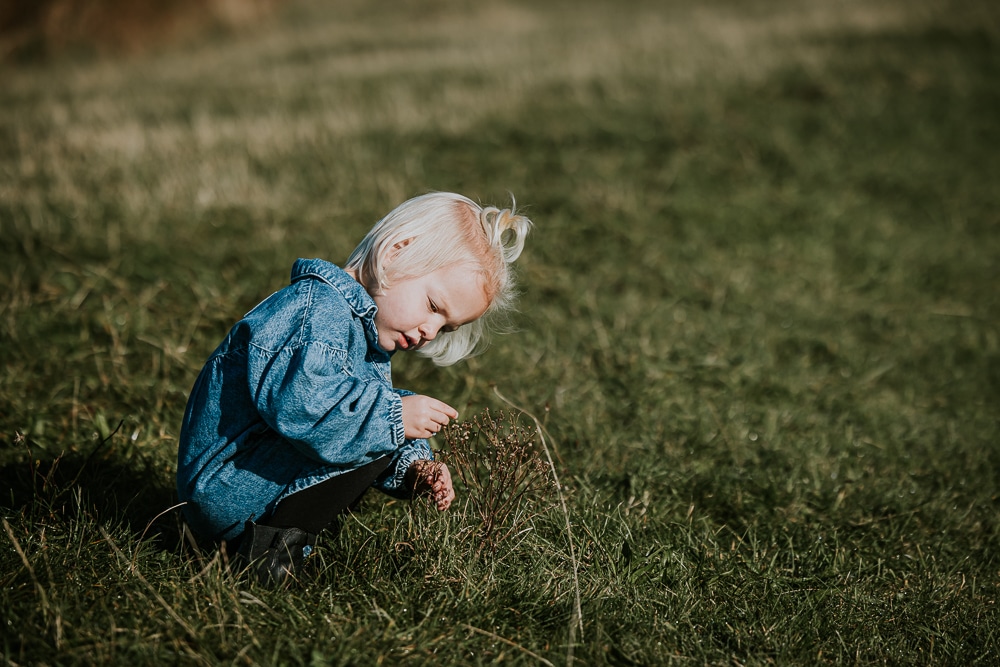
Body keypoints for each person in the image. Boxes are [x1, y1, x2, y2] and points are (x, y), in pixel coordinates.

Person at [176, 192, 532, 585]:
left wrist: (413, 467)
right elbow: (305, 409)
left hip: (246, 485)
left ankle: (275, 545)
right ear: (396, 253)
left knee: (380, 412)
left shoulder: (359, 332)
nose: (430, 333)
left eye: (445, 328)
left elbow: (357, 416)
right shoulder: (317, 312)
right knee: (379, 414)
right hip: (227, 487)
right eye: (434, 306)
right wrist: (394, 418)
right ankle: (268, 562)